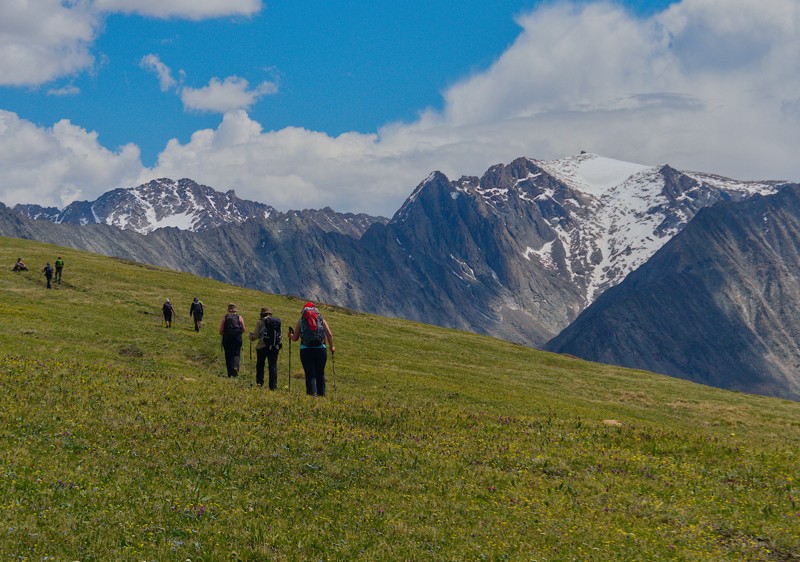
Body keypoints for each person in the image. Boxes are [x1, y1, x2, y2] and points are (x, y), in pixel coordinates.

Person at [290, 302, 334, 396]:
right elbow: (329, 334)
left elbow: (295, 338)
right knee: (320, 372)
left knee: (309, 373)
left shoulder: (301, 321)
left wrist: (290, 336)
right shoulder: (321, 319)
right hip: (320, 349)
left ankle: (311, 394)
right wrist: (331, 347)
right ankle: (321, 394)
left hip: (306, 350)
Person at [249, 306, 282, 389]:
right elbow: (280, 335)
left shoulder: (260, 321)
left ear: (262, 314)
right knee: (273, 365)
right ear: (270, 314)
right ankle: (273, 386)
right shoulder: (277, 322)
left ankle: (259, 383)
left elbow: (256, 335)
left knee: (260, 365)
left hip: (262, 346)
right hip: (274, 347)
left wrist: (251, 337)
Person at [219, 303, 246, 377]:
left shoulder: (226, 317)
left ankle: (230, 373)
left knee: (228, 354)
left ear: (229, 310)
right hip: (237, 336)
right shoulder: (239, 317)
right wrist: (239, 333)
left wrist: (221, 333)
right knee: (236, 353)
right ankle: (235, 367)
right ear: (235, 310)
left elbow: (221, 329)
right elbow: (244, 329)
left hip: (227, 337)